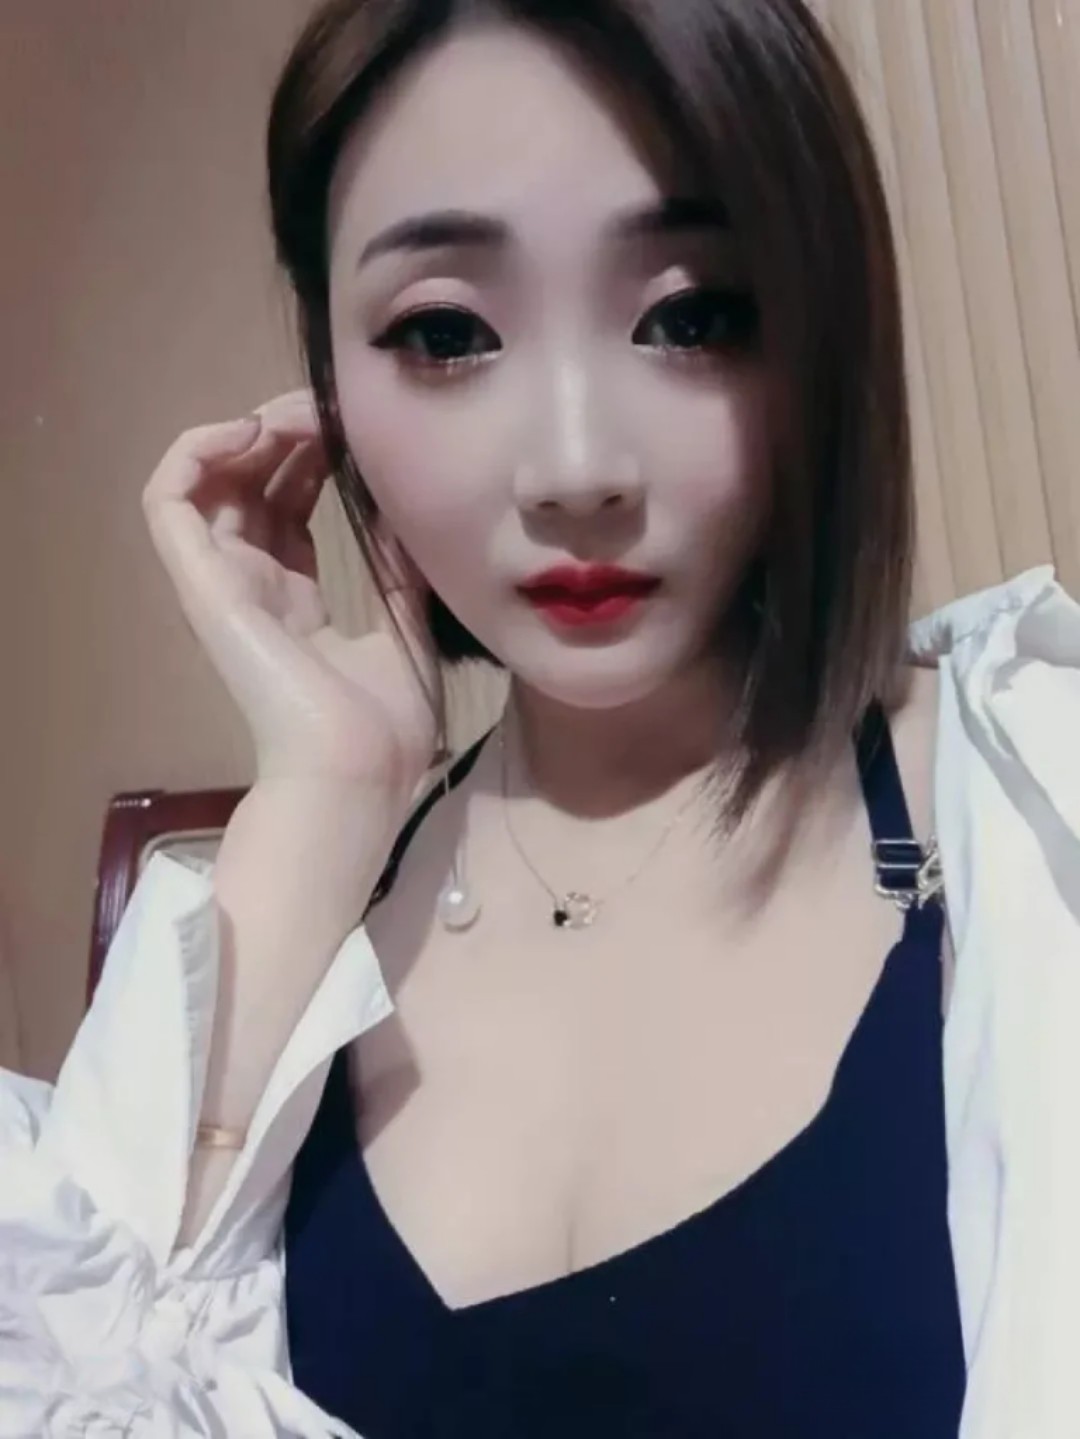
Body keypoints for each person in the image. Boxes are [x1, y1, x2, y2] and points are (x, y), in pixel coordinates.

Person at [2, 0, 1079, 1434]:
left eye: (690, 315)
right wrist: (327, 788)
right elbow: (69, 1371)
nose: (575, 467)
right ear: (332, 384)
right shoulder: (334, 899)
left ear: (822, 334)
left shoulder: (1034, 813)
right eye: (446, 333)